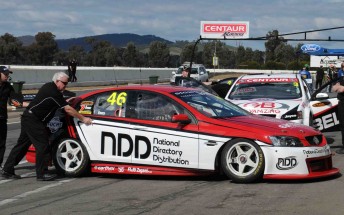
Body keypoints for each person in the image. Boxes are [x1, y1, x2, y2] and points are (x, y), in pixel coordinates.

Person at [1, 72, 92, 181]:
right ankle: (42, 173)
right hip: (33, 120)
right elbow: (67, 109)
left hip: (29, 117)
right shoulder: (53, 91)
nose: (65, 86)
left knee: (22, 145)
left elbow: (57, 102)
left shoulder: (50, 87)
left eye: (66, 83)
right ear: (57, 81)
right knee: (42, 145)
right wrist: (83, 119)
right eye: (64, 83)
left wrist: (65, 102)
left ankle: (7, 169)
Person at [0, 66, 27, 170]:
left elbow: (14, 99)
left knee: (2, 143)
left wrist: (24, 103)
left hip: (2, 118)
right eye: (5, 74)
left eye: (8, 74)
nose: (7, 76)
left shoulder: (8, 86)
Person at [332, 77, 344, 154]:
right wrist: (338, 87)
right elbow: (334, 89)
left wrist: (339, 87)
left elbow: (341, 89)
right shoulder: (342, 78)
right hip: (342, 103)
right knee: (342, 125)